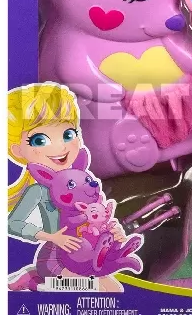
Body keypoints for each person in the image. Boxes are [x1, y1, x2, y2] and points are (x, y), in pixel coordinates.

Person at [7, 82, 125, 292]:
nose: (61, 146)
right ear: (18, 150)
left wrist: (111, 232)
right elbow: (13, 223)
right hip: (57, 256)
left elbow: (96, 216)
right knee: (94, 288)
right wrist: (51, 237)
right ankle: (34, 280)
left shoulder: (83, 180)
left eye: (68, 134)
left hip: (89, 253)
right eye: (40, 140)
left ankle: (35, 279)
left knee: (115, 290)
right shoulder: (39, 191)